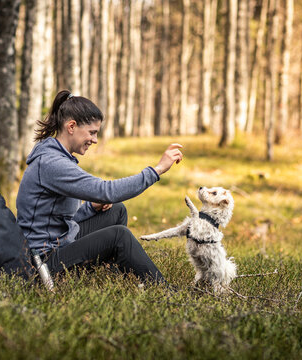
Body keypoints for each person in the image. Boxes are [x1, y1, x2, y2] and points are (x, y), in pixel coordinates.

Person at [16, 90, 183, 285]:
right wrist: (157, 170)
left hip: (58, 243)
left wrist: (90, 208)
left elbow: (57, 220)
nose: (95, 140)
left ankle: (117, 274)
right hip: (42, 262)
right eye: (92, 133)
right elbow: (106, 191)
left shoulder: (57, 157)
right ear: (71, 126)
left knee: (117, 210)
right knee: (119, 235)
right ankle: (165, 291)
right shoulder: (52, 163)